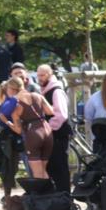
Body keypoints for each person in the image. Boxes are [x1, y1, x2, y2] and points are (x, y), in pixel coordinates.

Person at [36, 64, 71, 195]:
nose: (40, 78)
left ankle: (65, 198)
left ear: (50, 74)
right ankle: (56, 197)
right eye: (38, 75)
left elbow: (61, 114)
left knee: (60, 167)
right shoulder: (43, 91)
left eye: (43, 75)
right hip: (50, 135)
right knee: (51, 167)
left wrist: (47, 128)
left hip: (58, 134)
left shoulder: (56, 91)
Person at [11, 77, 54, 180]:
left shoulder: (15, 105)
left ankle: (42, 196)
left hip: (33, 134)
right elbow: (50, 111)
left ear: (11, 89)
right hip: (47, 131)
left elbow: (18, 130)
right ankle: (51, 195)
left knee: (37, 173)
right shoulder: (37, 96)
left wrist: (7, 122)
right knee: (43, 170)